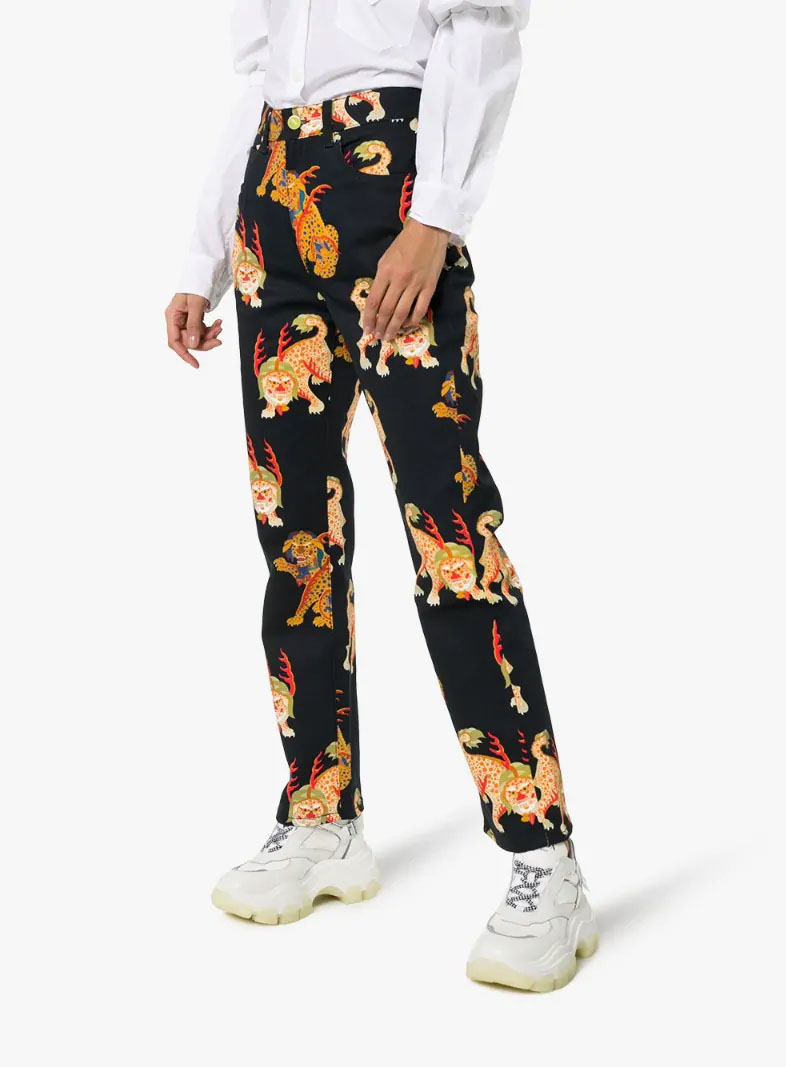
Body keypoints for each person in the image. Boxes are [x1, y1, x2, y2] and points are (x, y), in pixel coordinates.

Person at [165, 0, 596, 992]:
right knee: (295, 539)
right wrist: (201, 255)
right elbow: (258, 76)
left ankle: (543, 855)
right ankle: (321, 817)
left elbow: (481, 24)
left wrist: (435, 215)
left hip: (390, 191)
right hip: (273, 201)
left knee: (451, 535)